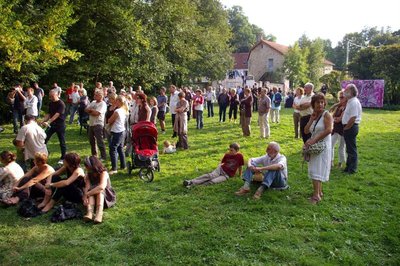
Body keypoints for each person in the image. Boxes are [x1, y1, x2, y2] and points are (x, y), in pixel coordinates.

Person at [304, 93, 333, 204]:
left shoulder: (327, 115)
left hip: (322, 146)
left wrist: (314, 140)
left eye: (322, 102)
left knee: (317, 169)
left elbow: (329, 130)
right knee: (315, 168)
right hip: (315, 145)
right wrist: (311, 119)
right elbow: (306, 131)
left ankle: (316, 196)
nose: (320, 104)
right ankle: (319, 192)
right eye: (317, 102)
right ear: (313, 104)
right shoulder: (315, 115)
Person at [83, 156, 116, 224]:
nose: (86, 168)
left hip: (106, 196)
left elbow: (101, 187)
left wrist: (87, 194)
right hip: (93, 196)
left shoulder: (103, 173)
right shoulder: (88, 174)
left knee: (99, 192)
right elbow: (87, 187)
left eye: (87, 166)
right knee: (90, 192)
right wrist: (85, 197)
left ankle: (99, 213)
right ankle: (90, 212)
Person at [41, 89, 67, 165]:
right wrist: (43, 120)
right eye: (50, 96)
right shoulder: (51, 103)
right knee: (44, 139)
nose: (51, 98)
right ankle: (44, 154)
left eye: (52, 96)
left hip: (60, 125)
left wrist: (48, 122)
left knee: (62, 142)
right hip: (52, 125)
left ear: (57, 95)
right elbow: (49, 113)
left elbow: (57, 114)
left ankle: (63, 157)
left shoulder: (61, 104)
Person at [342, 83, 362, 174]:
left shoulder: (353, 102)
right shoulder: (351, 101)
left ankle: (352, 169)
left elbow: (353, 118)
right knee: (349, 148)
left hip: (350, 127)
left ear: (351, 92)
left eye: (347, 90)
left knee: (351, 149)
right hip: (349, 127)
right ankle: (348, 167)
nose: (344, 92)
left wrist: (346, 128)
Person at [107, 95, 128, 175]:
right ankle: (123, 165)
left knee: (113, 149)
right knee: (120, 148)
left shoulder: (118, 111)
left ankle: (114, 168)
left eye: (116, 101)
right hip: (122, 130)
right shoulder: (124, 109)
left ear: (119, 102)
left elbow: (110, 120)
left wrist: (109, 120)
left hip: (117, 131)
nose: (115, 102)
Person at [85, 90, 107, 161]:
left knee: (99, 140)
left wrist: (90, 111)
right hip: (91, 123)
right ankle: (94, 155)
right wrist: (92, 111)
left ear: (101, 96)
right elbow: (86, 109)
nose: (94, 96)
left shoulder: (103, 104)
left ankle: (103, 156)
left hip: (98, 124)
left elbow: (97, 113)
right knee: (91, 140)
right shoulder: (93, 102)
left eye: (96, 95)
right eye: (95, 95)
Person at [329, 91, 347, 168]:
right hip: (335, 129)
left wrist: (336, 119)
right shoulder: (338, 107)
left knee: (341, 147)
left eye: (342, 97)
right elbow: (332, 117)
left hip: (343, 129)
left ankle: (341, 163)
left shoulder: (347, 107)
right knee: (330, 145)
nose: (340, 99)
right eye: (339, 97)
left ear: (346, 98)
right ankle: (331, 161)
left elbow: (339, 119)